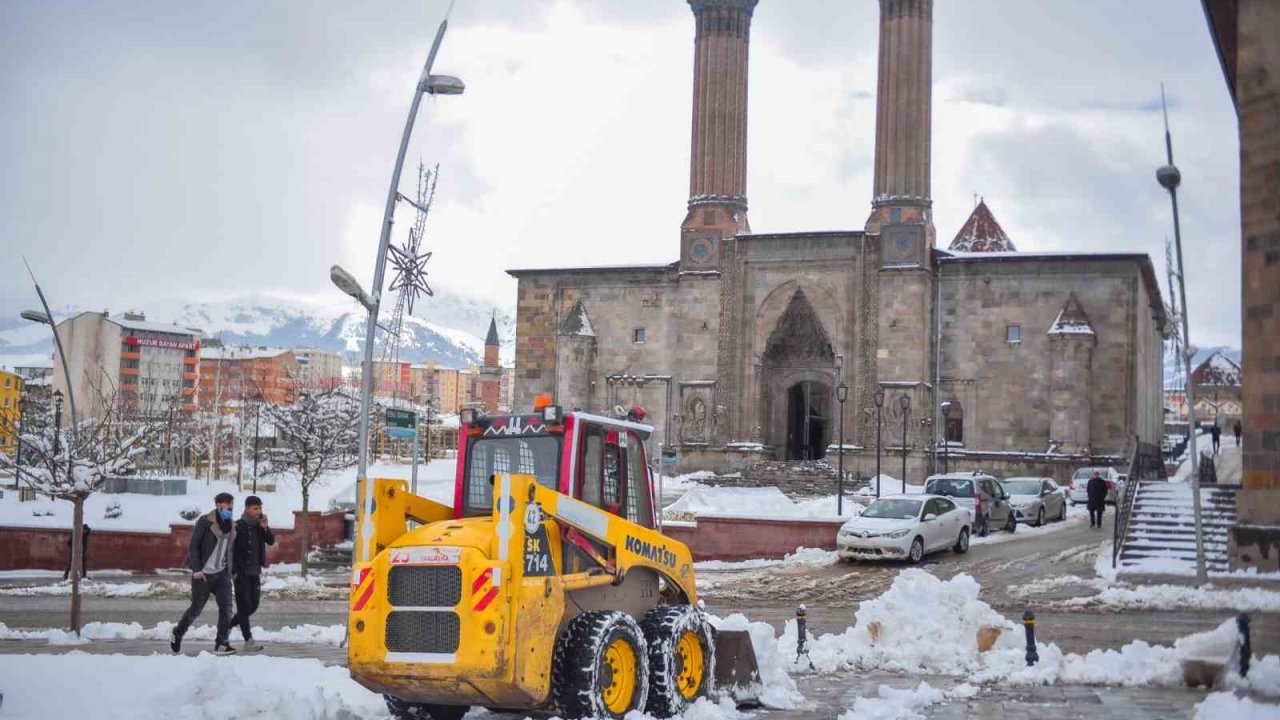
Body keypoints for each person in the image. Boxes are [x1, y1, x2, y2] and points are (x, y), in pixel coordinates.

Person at [170, 492, 237, 655]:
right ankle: (178, 632)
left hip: (221, 574)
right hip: (203, 574)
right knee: (196, 609)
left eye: (231, 505)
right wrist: (197, 569)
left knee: (227, 609)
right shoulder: (205, 521)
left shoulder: (232, 525)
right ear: (218, 505)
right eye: (226, 504)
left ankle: (221, 643)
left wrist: (232, 571)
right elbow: (194, 546)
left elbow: (231, 550)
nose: (229, 507)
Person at [228, 495, 275, 652]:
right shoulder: (237, 526)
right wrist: (233, 571)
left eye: (260, 508)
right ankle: (248, 639)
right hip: (240, 572)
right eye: (255, 508)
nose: (258, 511)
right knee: (243, 606)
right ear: (247, 508)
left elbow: (271, 541)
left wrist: (265, 527)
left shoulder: (260, 526)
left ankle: (228, 625)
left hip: (255, 571)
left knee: (253, 605)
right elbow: (230, 550)